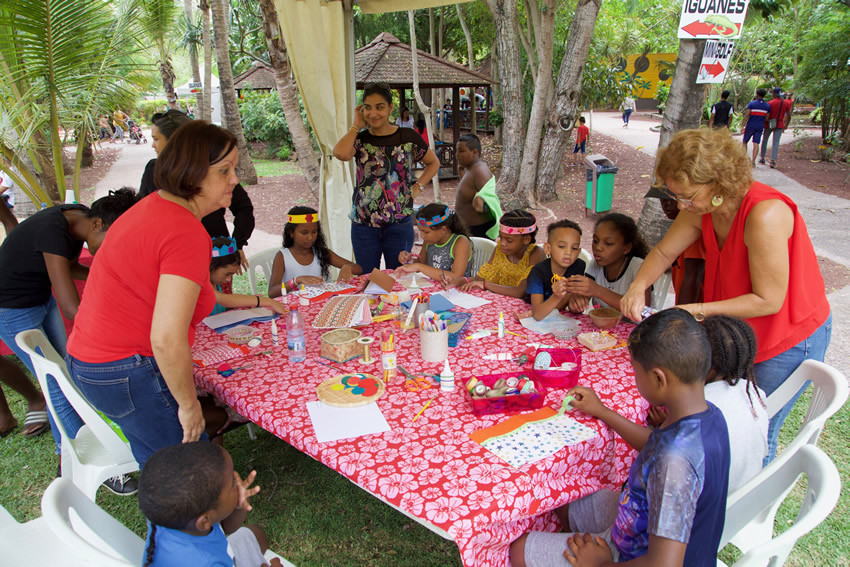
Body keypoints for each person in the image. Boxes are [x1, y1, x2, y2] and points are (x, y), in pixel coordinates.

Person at [620, 128, 831, 465]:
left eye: (686, 196)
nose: (680, 205)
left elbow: (768, 300)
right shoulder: (702, 207)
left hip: (786, 334)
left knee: (755, 429)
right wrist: (636, 285)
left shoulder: (765, 214)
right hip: (736, 329)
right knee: (720, 419)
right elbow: (662, 253)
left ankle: (742, 508)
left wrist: (695, 310)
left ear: (717, 182)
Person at [66, 121, 240, 467]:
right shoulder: (185, 231)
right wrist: (189, 408)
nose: (235, 179)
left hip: (91, 361)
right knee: (183, 473)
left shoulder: (153, 207)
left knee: (161, 463)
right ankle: (190, 522)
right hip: (125, 366)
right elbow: (165, 338)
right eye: (224, 170)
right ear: (192, 174)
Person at [509, 309, 729, 567]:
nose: (635, 378)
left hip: (632, 558)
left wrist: (601, 564)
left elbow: (665, 564)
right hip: (636, 520)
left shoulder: (674, 463)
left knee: (519, 550)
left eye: (636, 372)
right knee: (564, 495)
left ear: (659, 378)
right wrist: (602, 411)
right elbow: (655, 444)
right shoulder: (707, 416)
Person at [0, 189, 137, 458]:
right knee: (56, 381)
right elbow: (73, 308)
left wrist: (113, 280)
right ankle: (71, 456)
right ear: (98, 224)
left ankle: (85, 435)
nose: (114, 247)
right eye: (114, 239)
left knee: (68, 368)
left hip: (40, 299)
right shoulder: (54, 232)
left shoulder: (77, 218)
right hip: (11, 308)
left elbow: (69, 266)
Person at [649, 315, 768, 493]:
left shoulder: (698, 406)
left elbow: (663, 450)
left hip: (709, 502)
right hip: (748, 494)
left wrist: (666, 425)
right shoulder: (753, 391)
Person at [333, 82, 440, 272]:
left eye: (380, 107)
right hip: (364, 224)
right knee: (366, 277)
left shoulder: (407, 136)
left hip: (399, 224)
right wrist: (356, 125)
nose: (373, 113)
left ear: (391, 107)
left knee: (402, 277)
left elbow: (434, 163)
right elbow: (341, 154)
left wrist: (418, 188)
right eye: (368, 107)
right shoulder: (359, 138)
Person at [140, 109, 255, 275]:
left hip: (217, 257)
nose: (234, 180)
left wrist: (236, 243)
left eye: (156, 139)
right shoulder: (179, 239)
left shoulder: (212, 170)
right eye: (225, 170)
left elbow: (243, 207)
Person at [138, 442, 279, 567]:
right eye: (231, 483)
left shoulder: (169, 512)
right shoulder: (207, 562)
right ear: (205, 521)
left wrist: (239, 505)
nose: (237, 479)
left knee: (256, 534)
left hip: (216, 551)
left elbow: (226, 528)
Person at [268, 206, 362, 298]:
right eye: (304, 233)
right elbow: (272, 292)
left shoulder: (321, 252)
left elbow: (358, 268)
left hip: (320, 303)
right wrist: (297, 281)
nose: (310, 237)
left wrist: (347, 267)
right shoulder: (283, 256)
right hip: (294, 307)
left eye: (314, 232)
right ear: (291, 233)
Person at [565, 213, 649, 315]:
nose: (598, 248)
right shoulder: (595, 265)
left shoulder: (639, 267)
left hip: (638, 329)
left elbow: (643, 311)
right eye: (595, 241)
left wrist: (598, 291)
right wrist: (576, 303)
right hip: (604, 329)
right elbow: (582, 299)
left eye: (608, 243)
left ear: (626, 248)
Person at [452, 210, 546, 298]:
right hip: (500, 301)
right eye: (501, 237)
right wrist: (461, 281)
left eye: (509, 240)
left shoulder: (536, 254)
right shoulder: (500, 249)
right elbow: (480, 278)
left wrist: (486, 285)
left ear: (526, 239)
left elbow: (520, 292)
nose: (502, 243)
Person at [644, 187, 704, 305]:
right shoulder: (678, 230)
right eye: (662, 200)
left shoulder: (692, 235)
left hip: (696, 310)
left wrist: (681, 315)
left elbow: (692, 278)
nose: (665, 205)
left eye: (671, 199)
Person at [208, 237, 288, 317]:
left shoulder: (215, 284)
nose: (229, 279)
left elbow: (222, 307)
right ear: (212, 268)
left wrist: (247, 301)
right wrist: (269, 302)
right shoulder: (202, 287)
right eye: (227, 274)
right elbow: (224, 300)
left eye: (232, 275)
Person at [526, 220, 586, 321]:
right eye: (562, 246)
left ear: (579, 251)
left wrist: (575, 305)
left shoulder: (579, 266)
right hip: (534, 315)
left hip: (559, 316)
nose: (568, 252)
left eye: (574, 248)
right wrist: (557, 297)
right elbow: (537, 315)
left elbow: (571, 296)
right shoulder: (537, 272)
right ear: (548, 248)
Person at [397, 203, 474, 282]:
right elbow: (421, 262)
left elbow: (456, 276)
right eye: (420, 231)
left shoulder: (460, 242)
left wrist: (419, 266)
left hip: (457, 291)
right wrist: (409, 260)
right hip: (435, 288)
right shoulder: (429, 241)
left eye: (426, 232)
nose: (422, 236)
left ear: (443, 230)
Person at [454, 134, 502, 240]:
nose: (457, 154)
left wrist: (482, 207)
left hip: (479, 232)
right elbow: (469, 191)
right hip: (468, 229)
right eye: (456, 151)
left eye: (461, 151)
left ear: (474, 152)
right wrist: (462, 173)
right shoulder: (469, 168)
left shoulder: (480, 171)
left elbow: (491, 203)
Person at [759, 87, 793, 168]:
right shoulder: (786, 103)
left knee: (765, 140)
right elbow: (789, 114)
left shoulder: (770, 103)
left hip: (769, 123)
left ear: (774, 93)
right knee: (776, 142)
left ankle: (762, 158)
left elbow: (766, 115)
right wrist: (786, 124)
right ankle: (773, 161)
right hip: (780, 124)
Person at [741, 88, 771, 166]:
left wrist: (743, 125)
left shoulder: (751, 104)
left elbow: (747, 115)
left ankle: (744, 159)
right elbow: (767, 118)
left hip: (750, 125)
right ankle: (753, 161)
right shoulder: (767, 106)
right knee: (756, 143)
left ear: (757, 94)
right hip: (760, 126)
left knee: (745, 142)